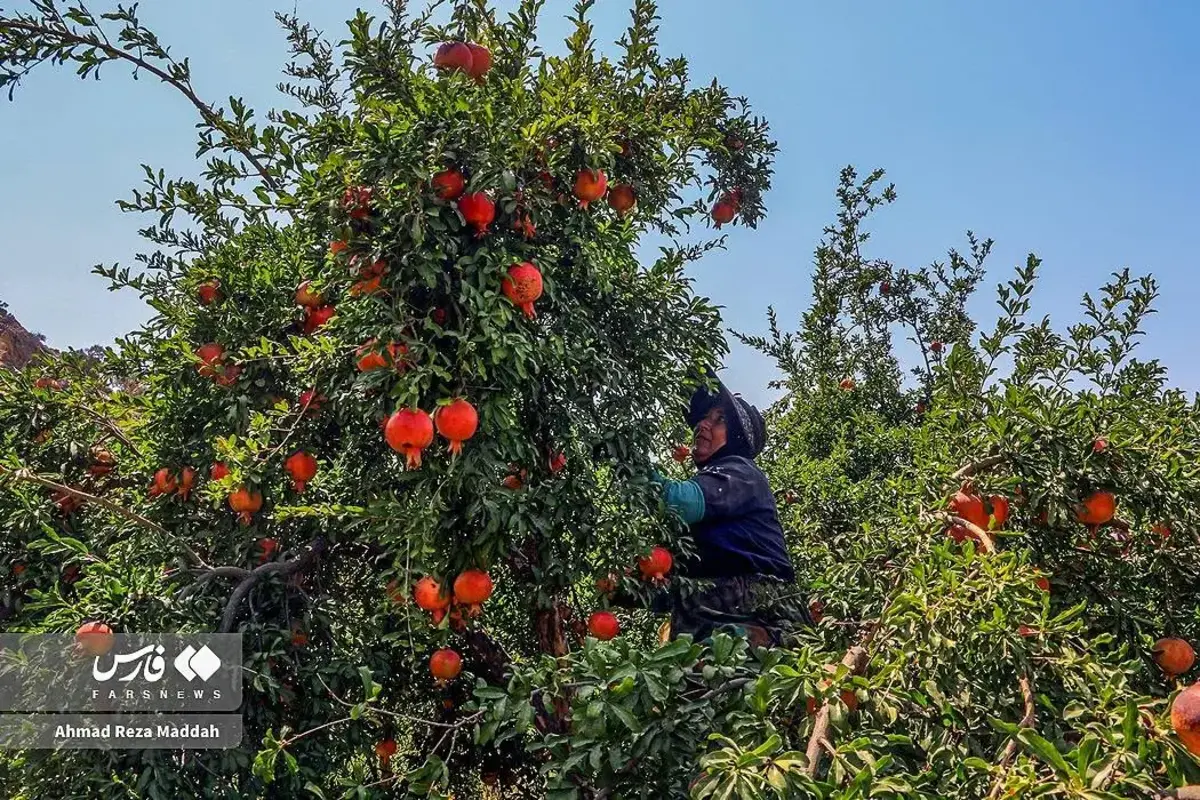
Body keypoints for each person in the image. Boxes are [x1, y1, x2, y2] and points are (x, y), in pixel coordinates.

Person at [622, 368, 811, 647]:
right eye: (704, 416)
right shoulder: (703, 510)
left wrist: (625, 453)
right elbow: (679, 591)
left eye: (719, 419)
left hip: (762, 625)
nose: (702, 424)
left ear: (736, 438)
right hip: (707, 632)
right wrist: (625, 589)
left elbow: (676, 501)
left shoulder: (741, 472)